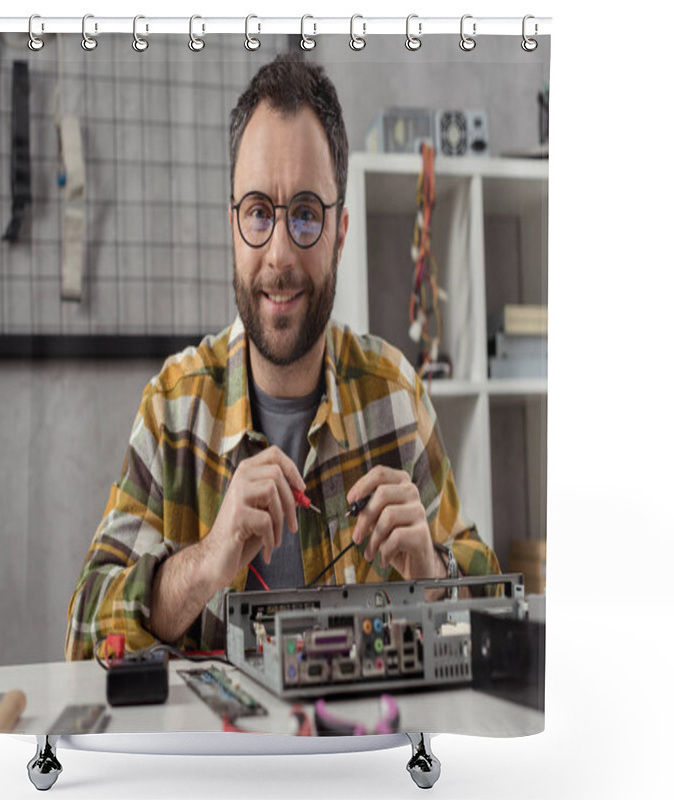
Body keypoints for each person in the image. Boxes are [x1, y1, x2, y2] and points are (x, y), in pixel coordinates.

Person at [65, 53, 500, 661]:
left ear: (340, 234)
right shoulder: (173, 407)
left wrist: (430, 567)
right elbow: (86, 634)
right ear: (233, 227)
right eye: (259, 214)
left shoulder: (395, 397)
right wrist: (207, 562)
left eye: (303, 215)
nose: (277, 255)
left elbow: (493, 615)